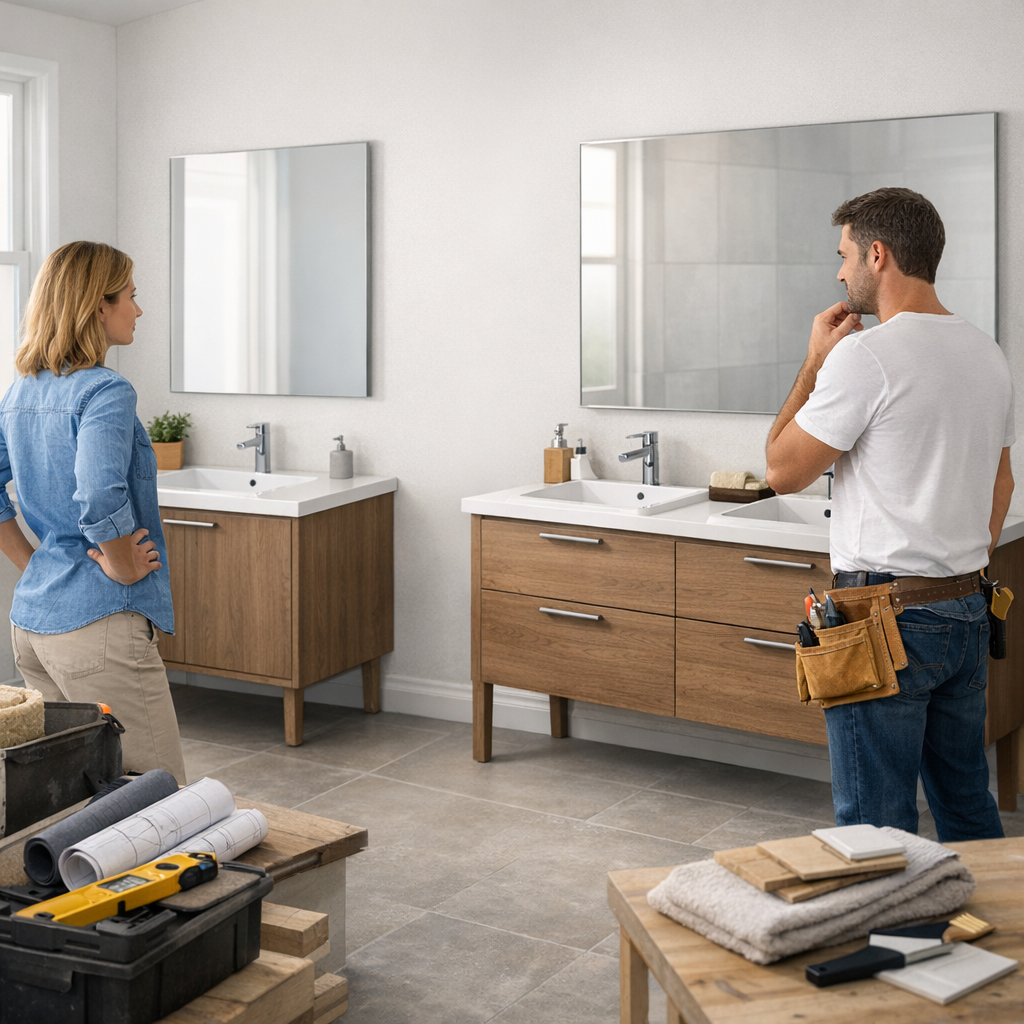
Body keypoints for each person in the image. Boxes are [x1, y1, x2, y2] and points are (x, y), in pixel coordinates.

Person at [765, 187, 1012, 842]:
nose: (840, 273)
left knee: (873, 826)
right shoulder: (988, 354)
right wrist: (955, 567)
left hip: (884, 623)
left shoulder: (864, 356)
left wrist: (815, 359)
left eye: (844, 256)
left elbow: (782, 471)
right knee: (966, 804)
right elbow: (1002, 478)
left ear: (878, 254)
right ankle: (994, 942)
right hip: (965, 611)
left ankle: (891, 942)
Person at [0, 241, 186, 783]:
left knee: (79, 792)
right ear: (97, 306)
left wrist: (33, 563)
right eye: (131, 295)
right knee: (158, 794)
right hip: (97, 627)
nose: (139, 308)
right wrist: (123, 562)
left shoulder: (20, 391)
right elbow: (99, 493)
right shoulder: (106, 390)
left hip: (33, 626)